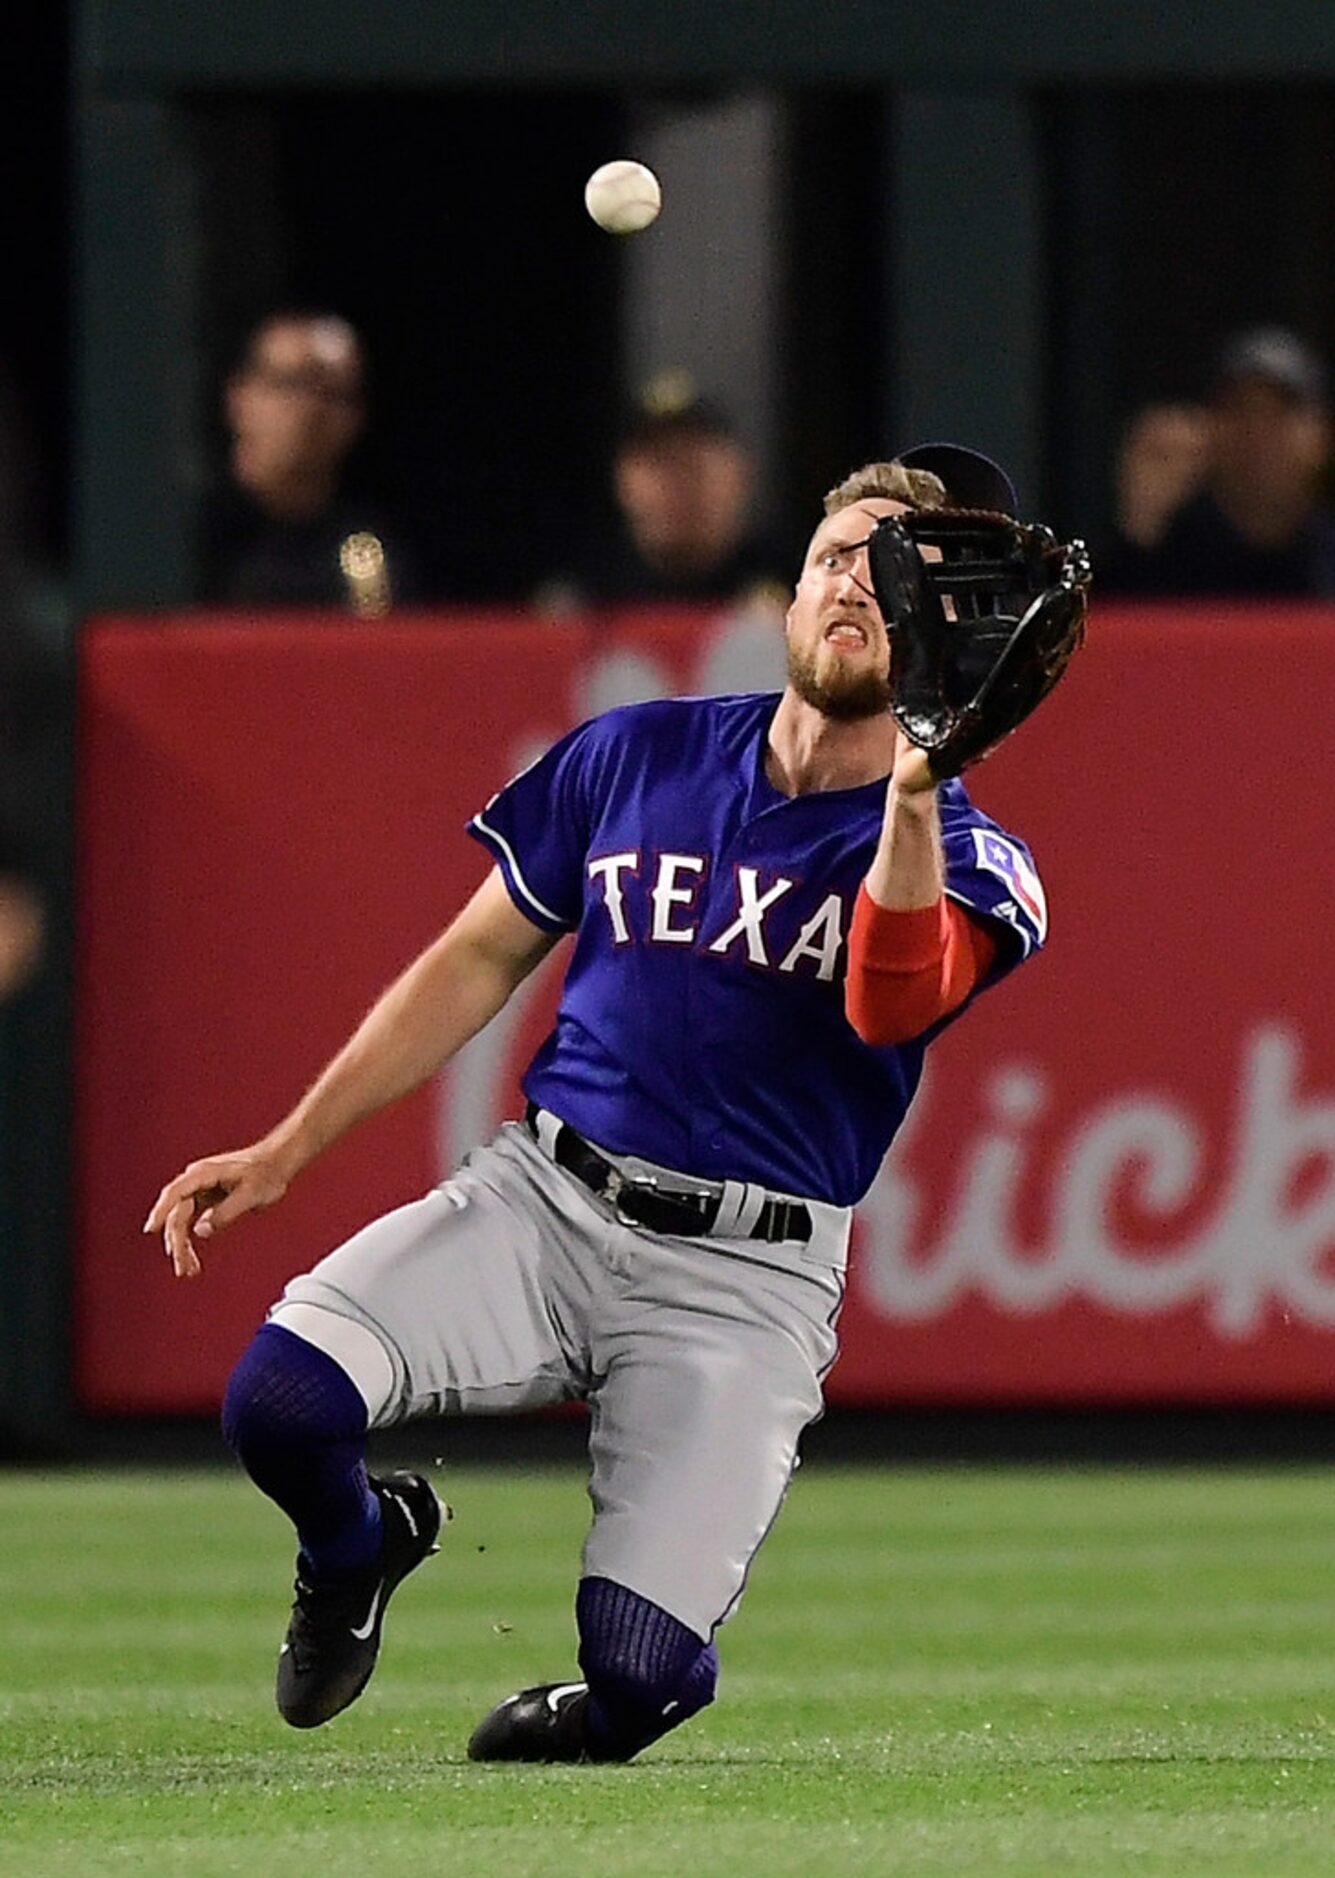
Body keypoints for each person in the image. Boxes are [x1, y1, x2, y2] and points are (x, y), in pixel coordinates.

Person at [146, 444, 1052, 1764]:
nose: (854, 585)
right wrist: (291, 1143)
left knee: (639, 1669)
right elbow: (473, 958)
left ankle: (610, 1708)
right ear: (788, 598)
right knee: (279, 1401)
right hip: (548, 1196)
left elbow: (888, 1000)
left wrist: (911, 786)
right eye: (831, 560)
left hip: (742, 1278)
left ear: (948, 629)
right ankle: (360, 1544)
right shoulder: (639, 752)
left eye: (894, 570)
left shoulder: (971, 853)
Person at [202, 311, 418, 613]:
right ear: (240, 395)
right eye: (291, 384)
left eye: (333, 394)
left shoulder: (365, 557)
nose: (311, 411)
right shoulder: (191, 537)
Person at [1106, 327, 1335, 596]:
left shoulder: (1326, 556)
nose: (1258, 435)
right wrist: (1139, 531)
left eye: (1280, 415)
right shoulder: (1169, 558)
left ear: (1323, 436)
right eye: (1240, 411)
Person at [538, 377, 787, 613]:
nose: (678, 484)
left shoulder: (804, 583)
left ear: (740, 474)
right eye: (659, 465)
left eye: (693, 464)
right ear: (622, 481)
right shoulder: (584, 599)